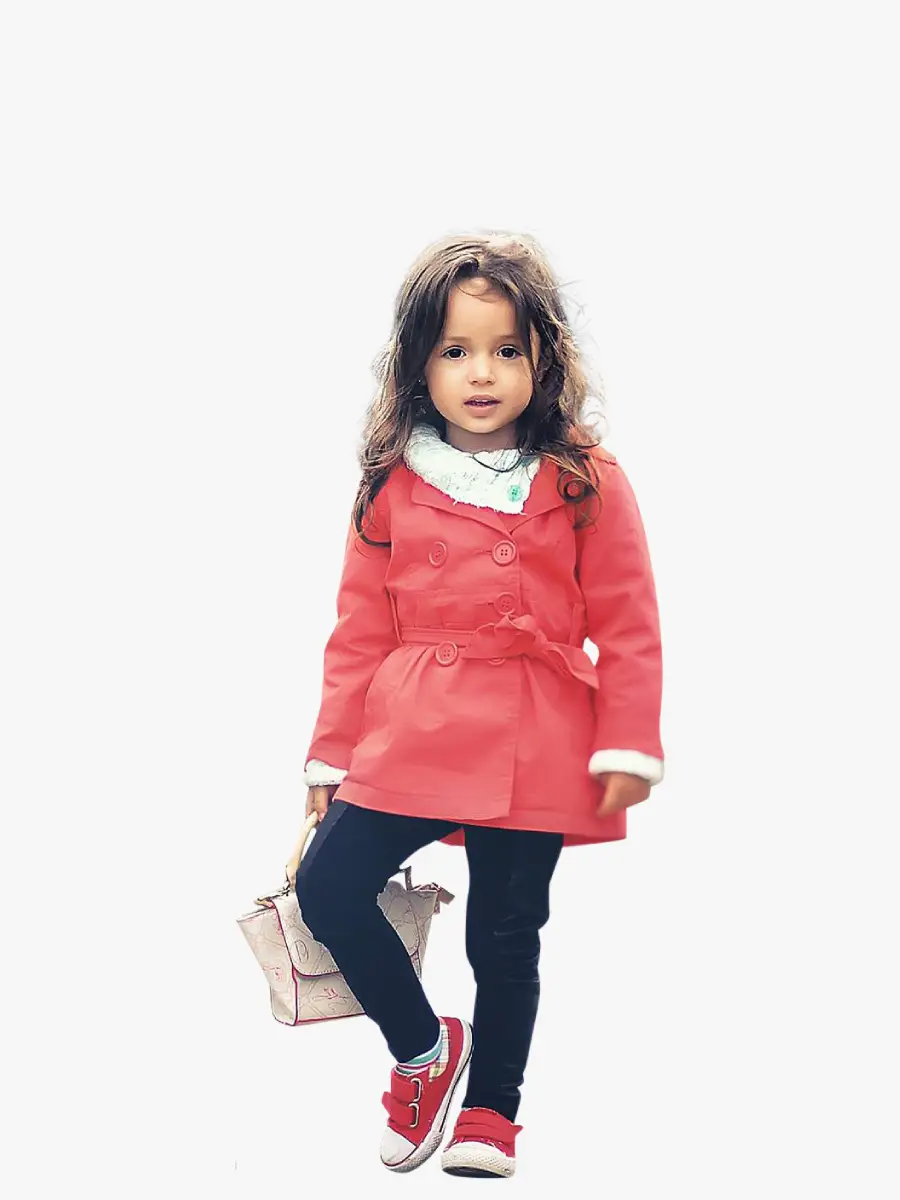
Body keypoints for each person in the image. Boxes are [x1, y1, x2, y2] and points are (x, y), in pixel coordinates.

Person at [295, 230, 664, 1179]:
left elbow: (628, 620)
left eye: (506, 349)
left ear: (545, 357)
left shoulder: (583, 476)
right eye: (455, 349)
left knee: (504, 933)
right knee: (328, 888)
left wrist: (627, 740)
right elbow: (358, 633)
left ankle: (493, 1110)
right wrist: (331, 760)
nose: (482, 373)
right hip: (413, 724)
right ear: (418, 363)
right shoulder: (392, 481)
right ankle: (424, 1051)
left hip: (536, 728)